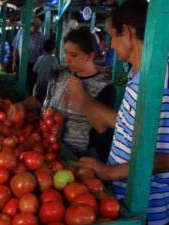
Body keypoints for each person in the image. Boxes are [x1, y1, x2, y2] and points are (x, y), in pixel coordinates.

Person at [67, 1, 169, 224]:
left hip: (147, 209)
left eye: (114, 36)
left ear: (130, 32)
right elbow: (130, 126)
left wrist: (109, 172)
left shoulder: (162, 80)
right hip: (121, 200)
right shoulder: (138, 75)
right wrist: (86, 103)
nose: (111, 45)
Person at [10, 27, 116, 161]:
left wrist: (83, 98)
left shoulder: (105, 86)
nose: (67, 60)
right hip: (46, 146)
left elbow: (101, 128)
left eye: (74, 55)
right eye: (66, 53)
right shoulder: (60, 74)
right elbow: (40, 99)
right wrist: (21, 105)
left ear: (90, 56)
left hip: (78, 156)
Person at [12, 20, 44, 92]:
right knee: (19, 83)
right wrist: (14, 62)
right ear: (30, 26)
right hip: (21, 63)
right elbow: (15, 48)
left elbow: (42, 52)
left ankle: (28, 97)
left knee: (31, 83)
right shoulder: (20, 33)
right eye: (35, 27)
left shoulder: (41, 36)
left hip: (34, 65)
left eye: (37, 27)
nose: (36, 29)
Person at [32, 39, 61, 103]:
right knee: (46, 102)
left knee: (38, 101)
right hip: (48, 86)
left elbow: (34, 69)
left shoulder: (40, 58)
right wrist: (66, 67)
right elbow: (56, 69)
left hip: (39, 85)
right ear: (54, 49)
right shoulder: (53, 58)